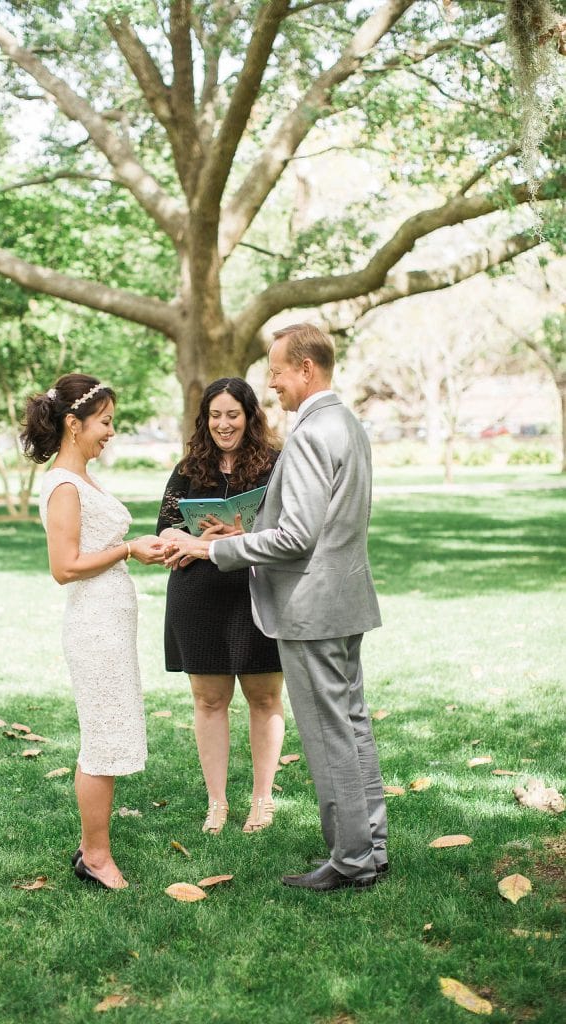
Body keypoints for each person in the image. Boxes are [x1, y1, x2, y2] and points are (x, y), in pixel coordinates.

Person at [164, 325, 388, 890]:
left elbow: (298, 537)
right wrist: (247, 531)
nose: (273, 384)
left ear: (306, 369)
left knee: (330, 733)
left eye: (279, 372)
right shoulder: (348, 424)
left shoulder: (312, 433)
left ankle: (352, 860)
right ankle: (372, 847)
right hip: (345, 599)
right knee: (354, 726)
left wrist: (213, 546)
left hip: (312, 607)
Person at [21, 373, 167, 891]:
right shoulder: (64, 484)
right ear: (72, 423)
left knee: (109, 734)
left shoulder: (82, 478)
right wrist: (129, 549)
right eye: (104, 422)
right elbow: (64, 566)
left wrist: (147, 549)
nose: (110, 432)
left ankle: (93, 850)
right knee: (101, 741)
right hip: (93, 628)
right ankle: (96, 857)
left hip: (110, 624)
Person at [156, 378, 285, 835]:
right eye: (215, 415)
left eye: (232, 414)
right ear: (204, 419)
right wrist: (195, 541)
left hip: (257, 592)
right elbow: (165, 532)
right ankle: (217, 803)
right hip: (200, 596)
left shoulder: (275, 466)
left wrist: (240, 539)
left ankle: (263, 800)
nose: (223, 424)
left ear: (249, 416)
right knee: (209, 700)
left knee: (265, 698)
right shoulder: (189, 468)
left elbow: (290, 531)